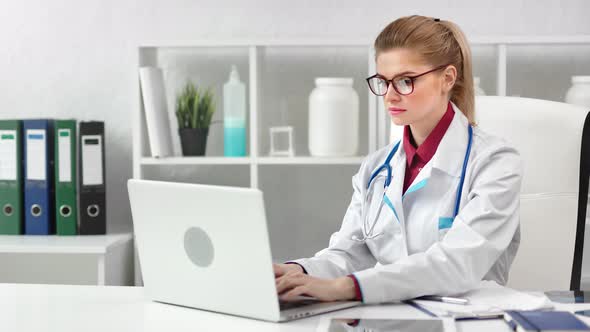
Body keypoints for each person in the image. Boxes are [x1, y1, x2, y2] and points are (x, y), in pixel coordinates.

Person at [273, 15, 523, 304]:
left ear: (447, 78)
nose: (390, 95)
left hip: (469, 320)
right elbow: (349, 253)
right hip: (393, 319)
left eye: (405, 81)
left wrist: (346, 288)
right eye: (383, 81)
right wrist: (295, 272)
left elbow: (456, 264)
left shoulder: (496, 163)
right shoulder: (376, 168)